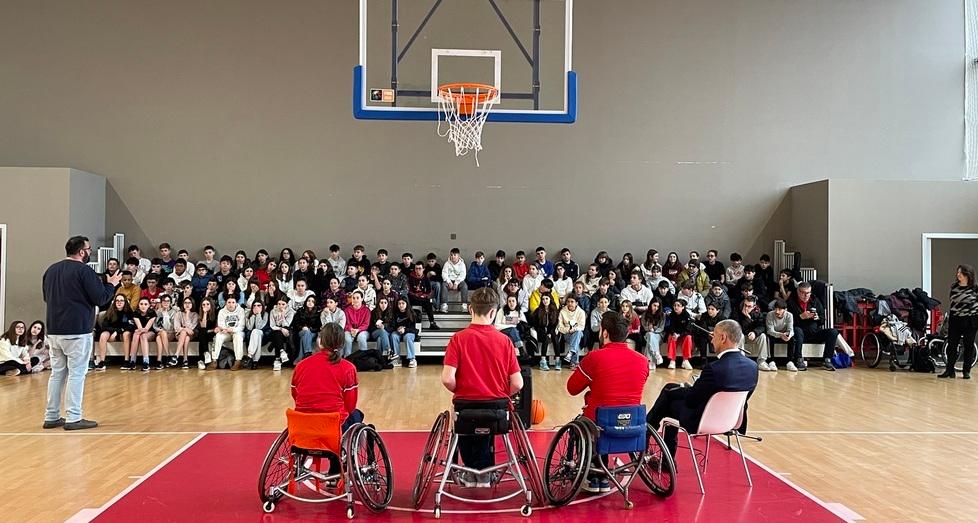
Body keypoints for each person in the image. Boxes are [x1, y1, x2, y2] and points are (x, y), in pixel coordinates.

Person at [440, 287, 523, 487]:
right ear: (493, 312)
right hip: (496, 408)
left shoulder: (458, 339)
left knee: (465, 420)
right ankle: (486, 474)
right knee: (488, 421)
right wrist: (501, 393)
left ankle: (470, 473)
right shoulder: (505, 341)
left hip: (465, 407)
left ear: (470, 309)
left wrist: (461, 391)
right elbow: (518, 383)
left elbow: (447, 379)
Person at [646, 319, 758, 457]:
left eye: (714, 336)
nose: (711, 341)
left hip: (704, 419)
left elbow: (692, 400)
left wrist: (685, 389)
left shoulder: (714, 368)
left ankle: (648, 436)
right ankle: (651, 439)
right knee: (671, 389)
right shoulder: (752, 367)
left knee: (668, 397)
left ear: (723, 338)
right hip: (732, 420)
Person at [42, 236, 121, 430]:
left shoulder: (51, 270)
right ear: (82, 252)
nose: (90, 252)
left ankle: (51, 416)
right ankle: (73, 417)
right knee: (77, 373)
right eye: (89, 249)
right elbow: (101, 298)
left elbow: (46, 297)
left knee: (57, 374)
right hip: (77, 329)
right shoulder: (84, 271)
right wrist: (111, 284)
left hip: (54, 329)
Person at [566, 311, 650, 492]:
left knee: (586, 421)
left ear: (604, 333)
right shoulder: (643, 361)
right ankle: (603, 476)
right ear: (626, 334)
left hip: (600, 422)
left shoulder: (595, 357)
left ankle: (593, 475)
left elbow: (572, 389)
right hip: (633, 423)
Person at [291, 322, 365, 438]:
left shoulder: (301, 366)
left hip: (303, 423)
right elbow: (350, 405)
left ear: (320, 341)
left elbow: (296, 395)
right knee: (356, 415)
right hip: (333, 424)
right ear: (341, 344)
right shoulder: (348, 368)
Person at [938, 264, 978, 379]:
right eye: (958, 272)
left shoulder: (975, 289)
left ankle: (966, 371)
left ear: (967, 274)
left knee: (968, 346)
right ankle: (949, 370)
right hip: (956, 319)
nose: (958, 274)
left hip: (970, 320)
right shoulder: (954, 287)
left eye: (961, 272)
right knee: (951, 345)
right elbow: (952, 302)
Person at [787, 282, 839, 371]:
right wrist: (800, 317)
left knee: (833, 332)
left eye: (808, 293)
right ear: (798, 292)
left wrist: (817, 318)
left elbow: (822, 319)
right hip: (799, 333)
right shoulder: (791, 302)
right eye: (803, 293)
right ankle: (798, 359)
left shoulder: (815, 300)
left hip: (814, 332)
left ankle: (827, 359)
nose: (806, 295)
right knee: (797, 330)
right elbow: (787, 321)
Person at [732, 296, 771, 371]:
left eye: (749, 306)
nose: (746, 308)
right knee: (740, 335)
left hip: (752, 336)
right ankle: (741, 360)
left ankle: (761, 361)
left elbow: (762, 327)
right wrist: (747, 318)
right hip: (741, 336)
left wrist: (755, 332)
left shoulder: (758, 313)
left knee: (762, 336)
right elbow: (736, 327)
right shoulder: (737, 311)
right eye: (745, 305)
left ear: (754, 306)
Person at [766, 299, 804, 372]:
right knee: (770, 338)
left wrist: (788, 336)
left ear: (785, 310)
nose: (777, 312)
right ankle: (771, 361)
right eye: (776, 309)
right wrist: (780, 335)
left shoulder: (789, 315)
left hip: (785, 334)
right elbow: (770, 330)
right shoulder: (770, 314)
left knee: (792, 339)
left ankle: (790, 362)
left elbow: (791, 329)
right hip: (774, 334)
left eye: (780, 309)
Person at [210, 295, 246, 370]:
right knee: (218, 336)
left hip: (237, 332)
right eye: (229, 302)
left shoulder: (241, 310)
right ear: (226, 303)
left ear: (236, 303)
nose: (231, 304)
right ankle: (214, 360)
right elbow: (221, 324)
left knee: (238, 337)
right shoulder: (222, 311)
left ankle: (238, 361)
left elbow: (241, 326)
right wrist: (225, 329)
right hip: (225, 331)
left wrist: (231, 330)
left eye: (233, 302)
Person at [531, 293, 560, 370]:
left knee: (555, 338)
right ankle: (543, 361)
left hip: (551, 330)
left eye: (546, 299)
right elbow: (536, 324)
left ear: (550, 299)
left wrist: (549, 333)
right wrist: (546, 333)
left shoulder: (555, 310)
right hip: (541, 331)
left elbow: (554, 324)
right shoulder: (538, 310)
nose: (545, 301)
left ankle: (557, 360)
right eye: (543, 299)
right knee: (546, 338)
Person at [557, 294, 587, 369]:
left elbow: (582, 327)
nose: (570, 303)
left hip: (577, 332)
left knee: (578, 333)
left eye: (572, 302)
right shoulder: (562, 311)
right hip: (566, 333)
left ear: (576, 303)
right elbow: (559, 327)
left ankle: (571, 353)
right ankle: (574, 361)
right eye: (568, 301)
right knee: (576, 339)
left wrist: (574, 329)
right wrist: (568, 330)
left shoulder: (581, 312)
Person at [408, 262, 440, 330]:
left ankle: (432, 323)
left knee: (428, 302)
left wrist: (423, 295)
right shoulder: (410, 277)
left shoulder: (425, 278)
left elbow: (429, 290)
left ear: (423, 269)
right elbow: (409, 290)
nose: (418, 270)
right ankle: (431, 322)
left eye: (420, 268)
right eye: (416, 268)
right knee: (426, 301)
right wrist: (417, 295)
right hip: (413, 298)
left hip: (423, 298)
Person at [390, 297, 420, 368]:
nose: (401, 305)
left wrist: (405, 329)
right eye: (399, 303)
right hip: (398, 331)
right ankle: (397, 358)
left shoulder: (411, 313)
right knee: (394, 335)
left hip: (409, 332)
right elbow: (392, 325)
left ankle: (412, 359)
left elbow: (413, 329)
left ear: (407, 304)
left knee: (408, 337)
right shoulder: (395, 313)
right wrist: (397, 329)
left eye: (403, 303)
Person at [292, 295, 322, 364]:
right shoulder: (300, 311)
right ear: (306, 302)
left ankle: (301, 359)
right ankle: (308, 352)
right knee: (306, 332)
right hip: (301, 331)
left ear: (315, 303)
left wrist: (311, 329)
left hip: (313, 332)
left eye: (312, 301)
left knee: (305, 336)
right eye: (309, 301)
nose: (310, 302)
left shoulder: (318, 312)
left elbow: (318, 326)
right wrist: (302, 327)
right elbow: (295, 323)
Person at [665, 298, 694, 370]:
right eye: (674, 305)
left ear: (683, 307)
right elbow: (670, 327)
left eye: (678, 305)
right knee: (671, 337)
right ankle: (672, 360)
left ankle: (685, 360)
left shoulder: (687, 315)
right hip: (675, 334)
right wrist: (674, 333)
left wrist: (680, 335)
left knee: (688, 337)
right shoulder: (672, 315)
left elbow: (688, 329)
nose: (676, 307)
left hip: (683, 334)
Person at [269, 296, 295, 371]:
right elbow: (272, 326)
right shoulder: (273, 311)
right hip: (276, 331)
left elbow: (287, 325)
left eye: (283, 304)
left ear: (286, 304)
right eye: (279, 304)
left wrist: (283, 316)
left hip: (287, 331)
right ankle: (282, 352)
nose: (280, 306)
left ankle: (277, 359)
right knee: (277, 334)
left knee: (278, 335)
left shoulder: (290, 311)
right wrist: (280, 329)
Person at [172, 297, 198, 369]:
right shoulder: (178, 314)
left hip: (191, 335)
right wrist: (185, 329)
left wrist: (187, 315)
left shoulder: (195, 314)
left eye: (189, 303)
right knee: (185, 335)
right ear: (183, 304)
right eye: (185, 303)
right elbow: (176, 327)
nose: (187, 305)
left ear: (192, 304)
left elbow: (191, 328)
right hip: (179, 335)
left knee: (185, 334)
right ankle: (185, 360)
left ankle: (176, 355)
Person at [243, 300, 270, 369]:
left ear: (262, 307)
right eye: (254, 306)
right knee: (255, 334)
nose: (256, 307)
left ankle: (249, 355)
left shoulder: (266, 314)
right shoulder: (248, 314)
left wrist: (258, 315)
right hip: (252, 337)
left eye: (259, 305)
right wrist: (253, 316)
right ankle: (255, 361)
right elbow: (249, 327)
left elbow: (259, 327)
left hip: (263, 335)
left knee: (256, 331)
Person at [343, 291, 371, 357]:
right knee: (346, 337)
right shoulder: (347, 310)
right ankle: (347, 358)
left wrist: (358, 330)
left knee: (361, 337)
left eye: (357, 298)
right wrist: (351, 329)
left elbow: (366, 324)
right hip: (350, 330)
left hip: (363, 331)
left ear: (362, 299)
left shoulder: (366, 310)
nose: (355, 300)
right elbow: (346, 323)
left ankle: (364, 358)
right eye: (354, 298)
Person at [641, 298, 666, 370]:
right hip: (647, 333)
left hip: (659, 334)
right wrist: (649, 329)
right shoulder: (645, 314)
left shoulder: (662, 315)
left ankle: (650, 362)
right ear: (651, 305)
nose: (656, 308)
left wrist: (653, 330)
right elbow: (644, 326)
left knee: (650, 336)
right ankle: (656, 355)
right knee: (649, 335)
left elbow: (661, 328)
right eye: (654, 305)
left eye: (658, 306)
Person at [195, 298, 219, 370]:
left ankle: (201, 359)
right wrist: (205, 313)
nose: (205, 306)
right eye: (203, 305)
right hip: (205, 334)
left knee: (202, 334)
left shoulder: (216, 312)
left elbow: (216, 328)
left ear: (211, 304)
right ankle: (206, 353)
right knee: (202, 333)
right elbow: (203, 326)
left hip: (213, 333)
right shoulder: (201, 314)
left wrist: (209, 331)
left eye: (208, 304)